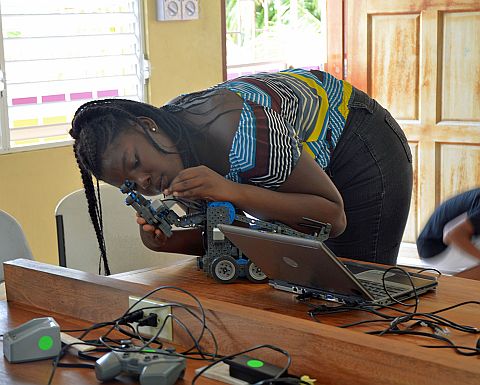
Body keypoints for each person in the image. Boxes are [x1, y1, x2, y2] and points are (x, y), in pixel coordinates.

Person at [70, 68, 412, 275]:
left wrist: (230, 191)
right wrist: (168, 242)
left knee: (358, 292)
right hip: (312, 162)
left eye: (135, 162)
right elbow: (232, 237)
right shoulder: (173, 159)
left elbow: (332, 218)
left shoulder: (236, 129)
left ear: (149, 126)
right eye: (130, 182)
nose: (144, 181)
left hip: (361, 142)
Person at [416, 188, 480, 277]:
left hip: (444, 241)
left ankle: (453, 285)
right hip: (435, 248)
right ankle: (450, 286)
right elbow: (450, 234)